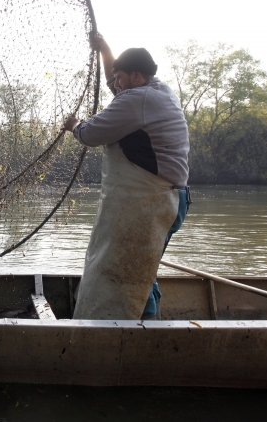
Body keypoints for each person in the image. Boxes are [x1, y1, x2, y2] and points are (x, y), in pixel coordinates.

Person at [62, 33, 190, 320]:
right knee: (144, 268)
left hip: (152, 201)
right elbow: (114, 83)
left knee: (131, 273)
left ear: (135, 76)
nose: (115, 84)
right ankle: (145, 322)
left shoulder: (138, 99)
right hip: (169, 199)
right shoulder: (157, 91)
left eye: (120, 77)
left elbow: (91, 134)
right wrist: (106, 50)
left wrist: (74, 125)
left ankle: (139, 332)